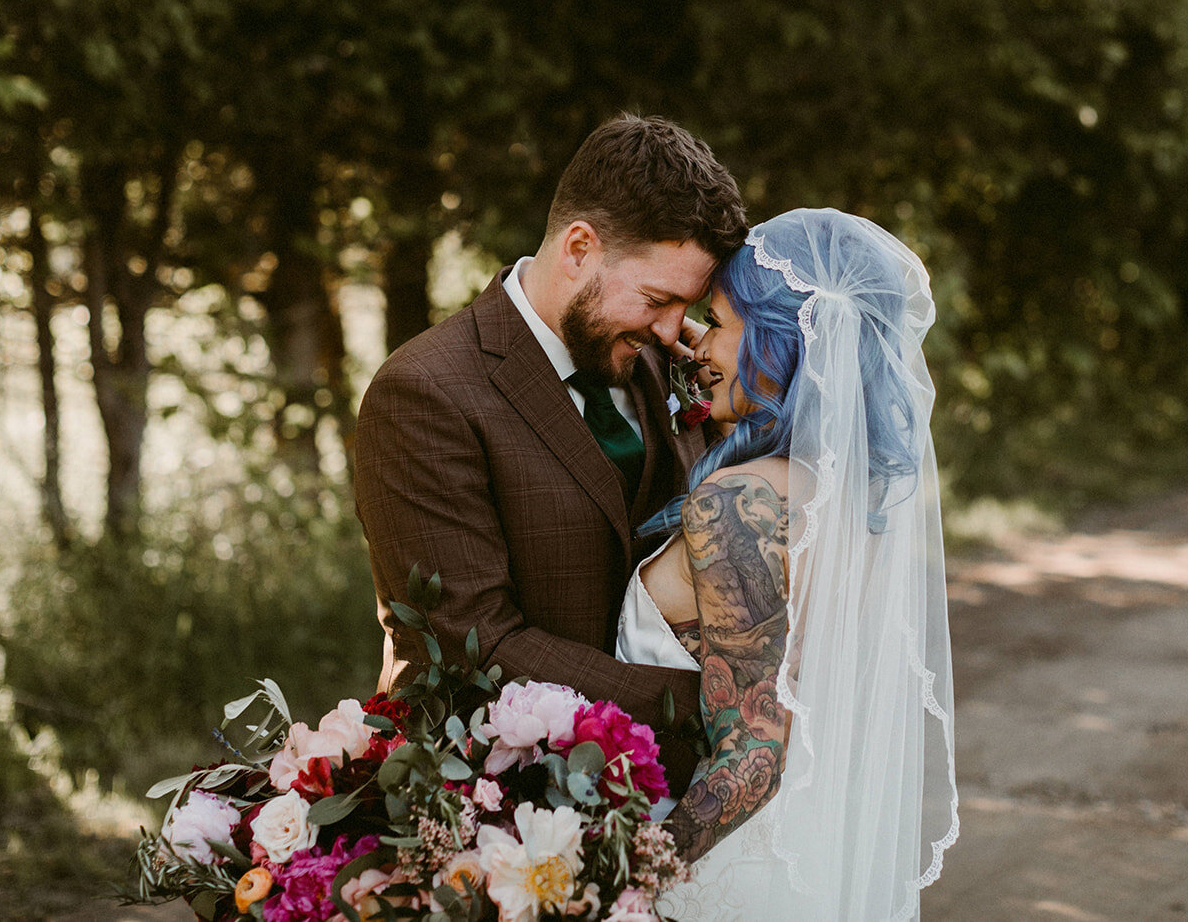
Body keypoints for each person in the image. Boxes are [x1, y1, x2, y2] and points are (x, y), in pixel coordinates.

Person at [353, 114, 748, 793]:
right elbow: (479, 648)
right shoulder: (425, 394)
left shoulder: (661, 357)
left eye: (683, 305)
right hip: (505, 797)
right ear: (579, 247)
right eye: (658, 298)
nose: (669, 326)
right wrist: (724, 708)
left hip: (670, 795)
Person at [616, 207, 962, 920]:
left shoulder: (739, 501)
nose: (695, 345)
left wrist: (626, 879)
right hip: (810, 850)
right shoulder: (851, 506)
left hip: (722, 870)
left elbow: (756, 751)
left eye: (714, 320)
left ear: (780, 339)